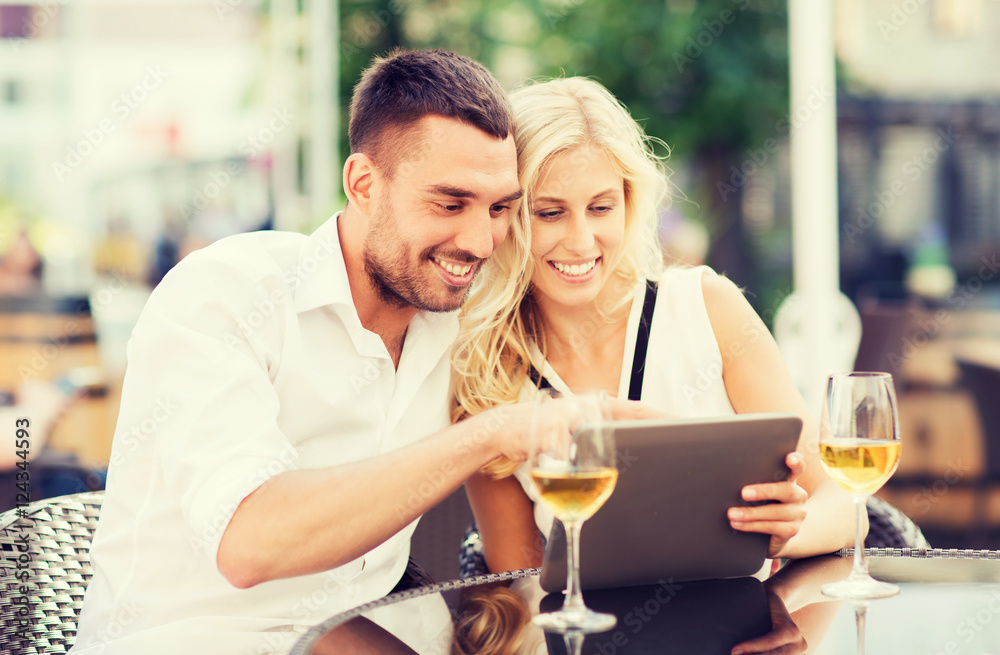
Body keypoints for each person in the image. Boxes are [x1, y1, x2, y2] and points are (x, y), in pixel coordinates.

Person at [71, 50, 621, 655]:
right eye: (449, 203)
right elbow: (251, 543)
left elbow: (576, 410)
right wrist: (488, 436)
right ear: (363, 183)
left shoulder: (463, 324)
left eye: (499, 209)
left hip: (371, 633)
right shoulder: (222, 296)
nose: (480, 241)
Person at [452, 77, 858, 578]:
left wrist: (790, 533)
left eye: (601, 208)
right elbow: (517, 577)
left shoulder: (708, 308)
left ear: (629, 202)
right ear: (507, 217)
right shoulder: (483, 371)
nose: (581, 241)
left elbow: (843, 498)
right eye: (550, 213)